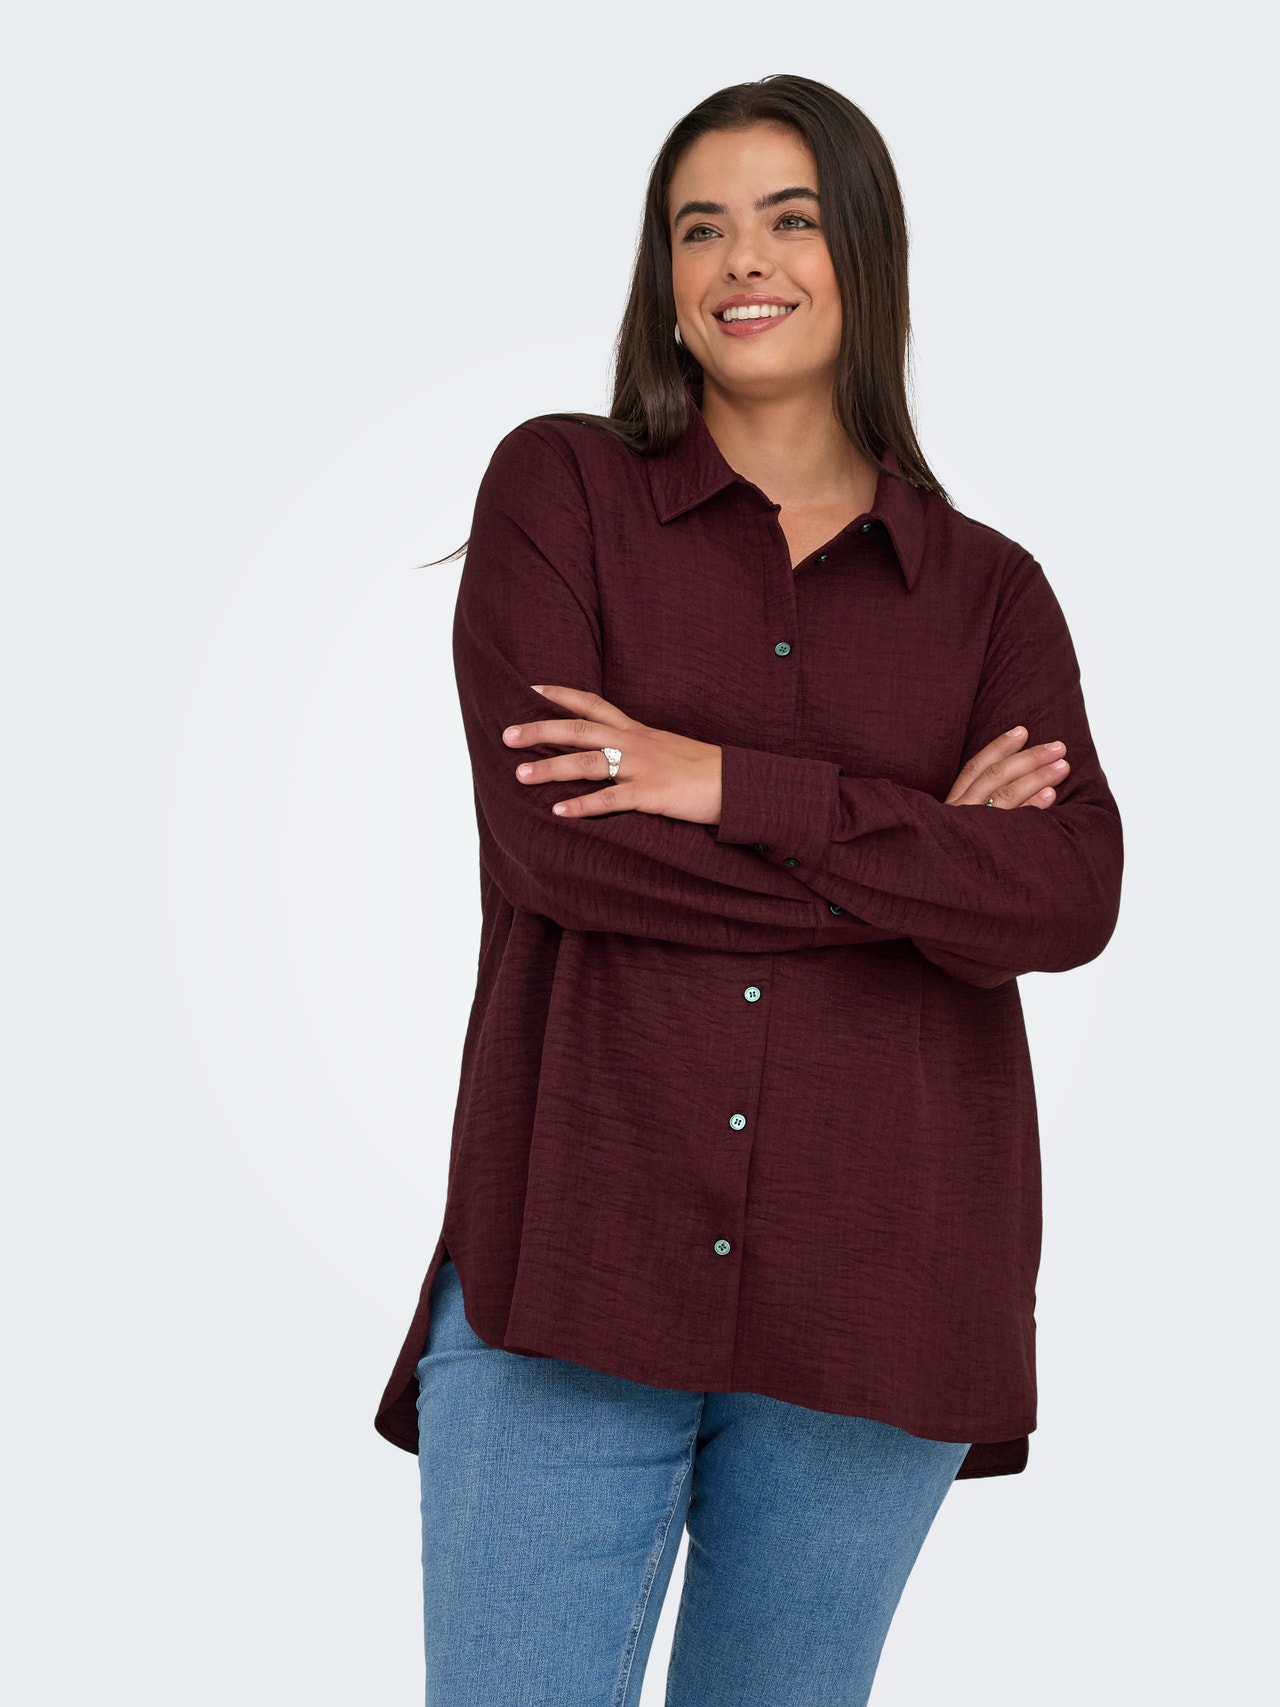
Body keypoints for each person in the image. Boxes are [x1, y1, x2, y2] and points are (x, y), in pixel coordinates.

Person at [375, 73, 1123, 1706]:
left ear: (865, 252)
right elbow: (562, 848)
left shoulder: (990, 594)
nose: (742, 261)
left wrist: (725, 785)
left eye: (789, 218)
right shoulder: (560, 491)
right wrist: (925, 863)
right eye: (698, 227)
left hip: (881, 1288)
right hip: (574, 1261)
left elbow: (1067, 897)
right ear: (663, 273)